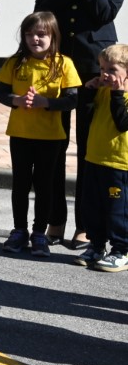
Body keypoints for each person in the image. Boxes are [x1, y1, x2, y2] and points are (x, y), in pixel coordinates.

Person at [35, 0, 128, 249]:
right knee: (53, 145)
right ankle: (54, 219)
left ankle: (86, 225)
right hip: (58, 67)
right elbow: (40, 13)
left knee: (90, 147)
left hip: (93, 66)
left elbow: (105, 13)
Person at [0, 12, 81, 257]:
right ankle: (19, 230)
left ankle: (39, 232)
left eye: (41, 34)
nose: (35, 39)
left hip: (51, 136)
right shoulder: (15, 62)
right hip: (20, 133)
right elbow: (2, 94)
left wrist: (46, 102)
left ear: (53, 36)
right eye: (30, 34)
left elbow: (72, 100)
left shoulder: (64, 63)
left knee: (44, 185)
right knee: (20, 184)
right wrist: (17, 100)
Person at [76, 43, 128, 271]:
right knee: (92, 208)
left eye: (112, 70)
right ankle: (97, 246)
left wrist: (118, 94)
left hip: (119, 164)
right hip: (94, 158)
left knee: (118, 211)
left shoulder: (121, 96)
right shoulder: (102, 91)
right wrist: (88, 92)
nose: (105, 74)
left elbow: (122, 123)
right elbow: (86, 117)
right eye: (102, 69)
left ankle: (121, 250)